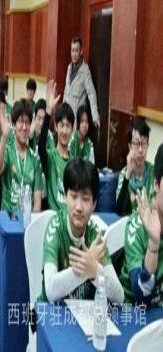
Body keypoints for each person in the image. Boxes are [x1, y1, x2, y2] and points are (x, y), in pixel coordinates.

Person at [39, 158, 124, 303]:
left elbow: (119, 296)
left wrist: (95, 271)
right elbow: (51, 291)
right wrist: (86, 267)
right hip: (50, 311)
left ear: (94, 204)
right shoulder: (55, 228)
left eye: (85, 199)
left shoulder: (95, 235)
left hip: (81, 313)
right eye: (73, 196)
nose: (78, 207)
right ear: (65, 197)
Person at [120, 143, 163, 306]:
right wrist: (153, 245)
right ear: (156, 185)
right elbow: (141, 296)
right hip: (132, 312)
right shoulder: (137, 225)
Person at [0, 99, 42, 213]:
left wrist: (33, 221)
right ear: (14, 125)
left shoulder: (35, 159)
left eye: (27, 122)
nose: (24, 127)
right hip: (8, 218)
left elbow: (37, 203)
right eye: (20, 122)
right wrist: (4, 136)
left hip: (27, 219)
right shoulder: (8, 151)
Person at [38, 81, 75, 211]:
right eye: (61, 125)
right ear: (56, 127)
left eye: (68, 126)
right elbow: (41, 147)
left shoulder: (74, 162)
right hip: (54, 217)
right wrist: (48, 112)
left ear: (72, 129)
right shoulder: (51, 157)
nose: (65, 131)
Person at [116, 117, 154, 216]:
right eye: (136, 143)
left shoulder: (154, 173)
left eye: (143, 143)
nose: (141, 150)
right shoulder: (124, 174)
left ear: (148, 145)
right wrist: (128, 174)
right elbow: (119, 211)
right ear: (130, 147)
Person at [63, 36, 100, 128]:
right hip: (66, 116)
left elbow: (91, 93)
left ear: (81, 51)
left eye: (76, 50)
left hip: (77, 118)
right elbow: (66, 90)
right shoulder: (69, 67)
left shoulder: (85, 70)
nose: (74, 54)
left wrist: (95, 116)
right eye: (72, 50)